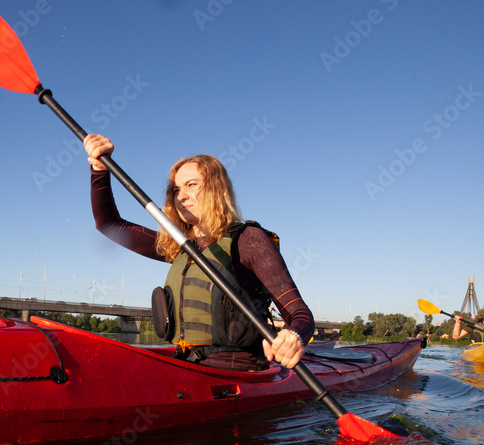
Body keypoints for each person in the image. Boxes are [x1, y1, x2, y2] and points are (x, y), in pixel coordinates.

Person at [82, 134, 314, 371]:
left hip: (235, 374)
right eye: (176, 189)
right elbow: (109, 225)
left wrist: (293, 335)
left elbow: (300, 314)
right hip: (185, 365)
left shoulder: (248, 240)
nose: (181, 195)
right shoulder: (178, 247)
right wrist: (99, 169)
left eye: (191, 185)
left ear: (215, 188)